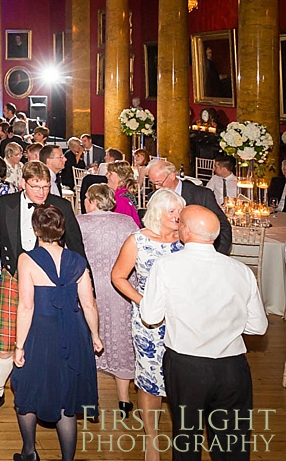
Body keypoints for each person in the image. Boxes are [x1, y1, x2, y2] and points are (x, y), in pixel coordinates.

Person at [140, 205, 267, 461]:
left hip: (187, 366)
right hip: (233, 368)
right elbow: (258, 327)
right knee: (232, 445)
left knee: (187, 440)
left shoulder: (166, 266)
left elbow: (150, 317)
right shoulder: (240, 270)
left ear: (185, 231)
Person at [0, 161, 86, 423]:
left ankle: (44, 393)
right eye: (35, 186)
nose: (41, 193)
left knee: (44, 344)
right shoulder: (5, 204)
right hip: (14, 279)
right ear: (23, 183)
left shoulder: (63, 206)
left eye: (46, 186)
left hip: (50, 285)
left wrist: (82, 287)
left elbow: (77, 249)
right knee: (4, 341)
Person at [11, 204, 101, 461]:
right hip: (73, 332)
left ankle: (29, 452)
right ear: (62, 230)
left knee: (26, 388)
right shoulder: (78, 261)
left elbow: (26, 306)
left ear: (36, 229)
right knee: (66, 398)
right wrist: (95, 336)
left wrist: (19, 346)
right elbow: (89, 304)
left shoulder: (27, 259)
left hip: (41, 331)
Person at [111, 188, 186, 461]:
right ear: (157, 213)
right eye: (172, 211)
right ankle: (152, 439)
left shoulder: (187, 241)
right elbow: (118, 276)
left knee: (183, 379)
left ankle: (183, 436)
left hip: (184, 320)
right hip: (149, 324)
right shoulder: (138, 241)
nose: (178, 216)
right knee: (149, 381)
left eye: (180, 211)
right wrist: (143, 301)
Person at [77, 184, 139, 418]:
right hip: (121, 288)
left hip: (90, 288)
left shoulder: (81, 222)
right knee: (123, 341)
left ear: (93, 201)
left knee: (90, 341)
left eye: (86, 198)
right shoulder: (127, 223)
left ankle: (91, 401)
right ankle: (124, 401)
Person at [147, 159, 232, 254]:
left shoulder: (202, 195)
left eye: (159, 183)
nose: (157, 187)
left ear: (171, 176)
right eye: (153, 184)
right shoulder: (154, 197)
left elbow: (223, 226)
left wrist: (217, 255)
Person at [106, 161, 143, 227]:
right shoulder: (123, 194)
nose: (107, 176)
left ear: (121, 177)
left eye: (110, 173)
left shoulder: (120, 201)